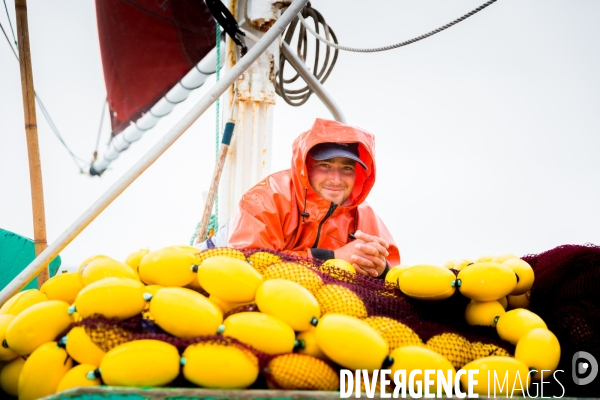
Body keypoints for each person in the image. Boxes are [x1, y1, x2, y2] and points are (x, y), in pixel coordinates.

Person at [204, 118, 400, 278]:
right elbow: (248, 260)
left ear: (359, 174)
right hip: (209, 268)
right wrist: (331, 257)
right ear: (306, 167)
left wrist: (380, 268)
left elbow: (397, 269)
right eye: (325, 165)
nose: (336, 179)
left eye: (347, 168)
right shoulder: (266, 198)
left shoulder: (364, 215)